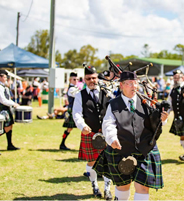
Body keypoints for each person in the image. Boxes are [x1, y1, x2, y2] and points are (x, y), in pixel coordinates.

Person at [93, 71, 169, 200]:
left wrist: (163, 119)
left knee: (143, 187)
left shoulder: (146, 101)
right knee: (123, 186)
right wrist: (112, 139)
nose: (134, 87)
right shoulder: (113, 104)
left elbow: (155, 121)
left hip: (144, 149)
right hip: (121, 150)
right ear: (121, 86)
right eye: (129, 84)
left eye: (135, 83)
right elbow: (108, 124)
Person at [73, 66, 113, 200]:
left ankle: (107, 189)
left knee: (108, 161)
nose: (92, 81)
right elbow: (76, 113)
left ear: (97, 78)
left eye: (94, 78)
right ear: (84, 79)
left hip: (106, 132)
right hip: (90, 133)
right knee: (92, 161)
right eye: (89, 79)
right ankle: (95, 185)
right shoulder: (80, 95)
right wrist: (82, 126)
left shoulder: (107, 93)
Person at [0, 70, 20, 150]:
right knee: (6, 127)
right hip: (2, 108)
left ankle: (9, 144)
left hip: (6, 107)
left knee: (10, 126)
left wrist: (13, 103)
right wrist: (13, 104)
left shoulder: (3, 86)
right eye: (5, 77)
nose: (6, 78)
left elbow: (8, 98)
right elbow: (2, 100)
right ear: (0, 77)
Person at [59, 72, 79, 150]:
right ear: (70, 80)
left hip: (75, 110)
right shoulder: (71, 89)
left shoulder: (75, 87)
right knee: (69, 128)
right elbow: (79, 96)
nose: (76, 81)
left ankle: (62, 144)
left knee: (70, 129)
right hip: (73, 110)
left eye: (77, 79)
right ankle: (62, 144)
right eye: (74, 79)